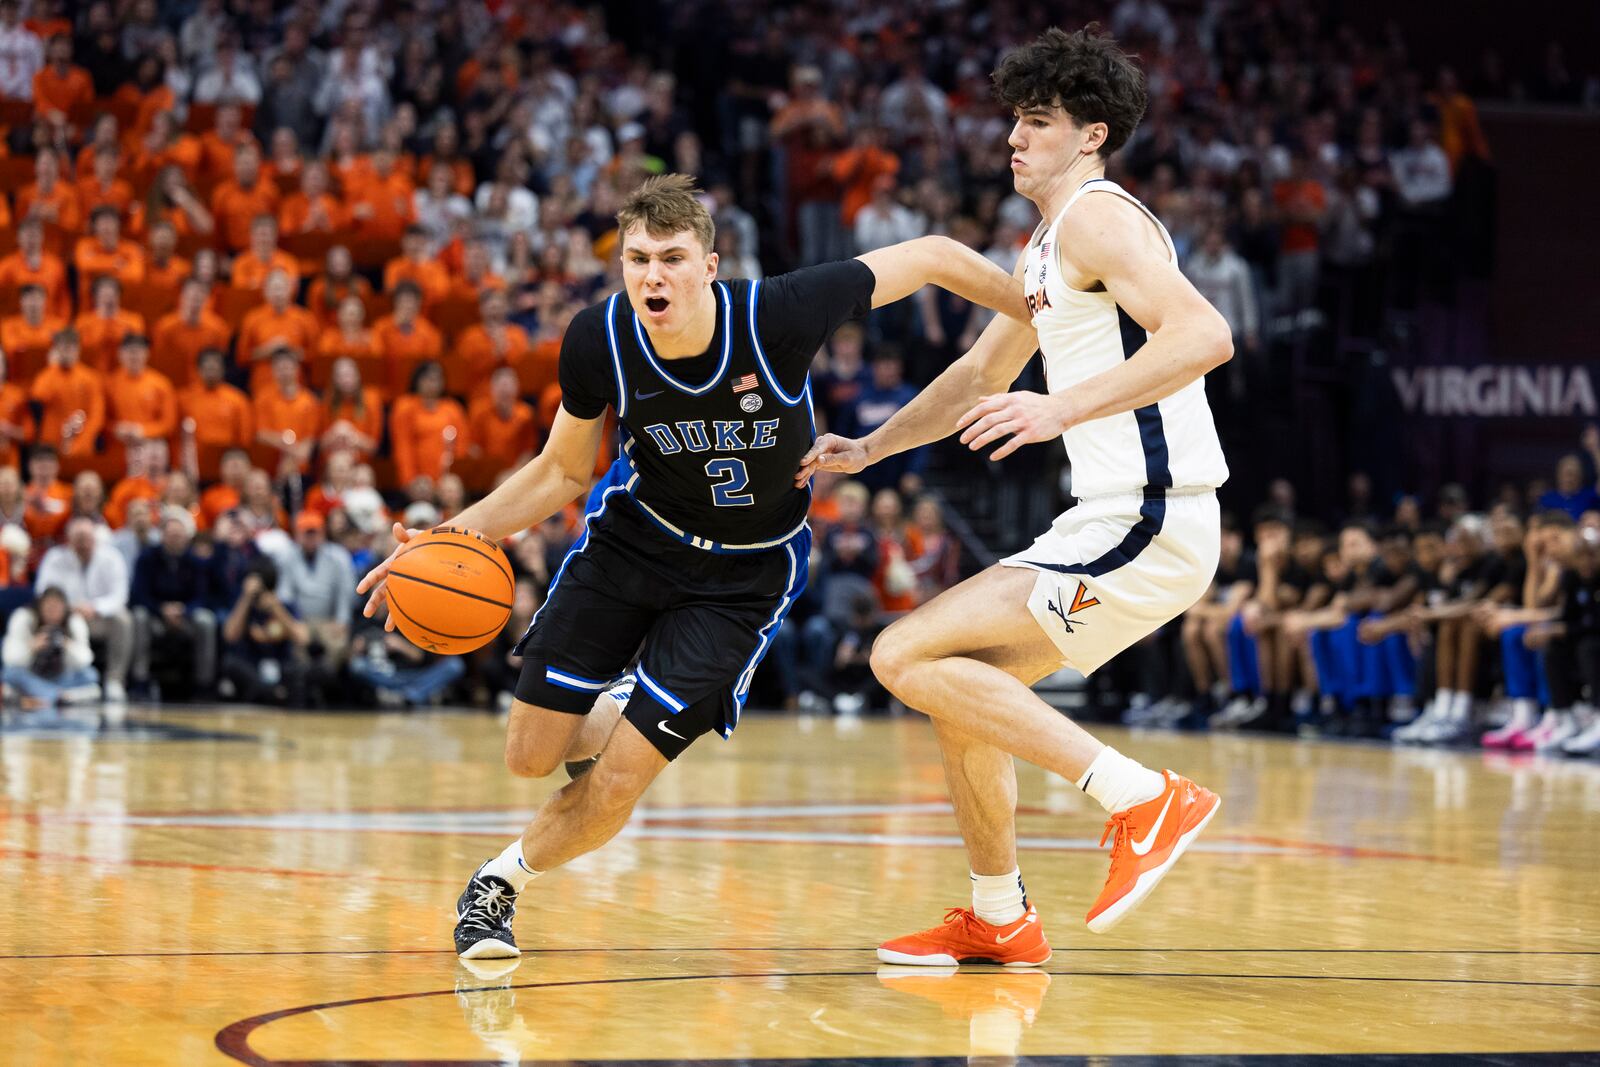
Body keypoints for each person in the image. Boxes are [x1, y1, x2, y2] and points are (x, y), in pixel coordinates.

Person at [356, 172, 1026, 959]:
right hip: (634, 543)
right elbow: (563, 472)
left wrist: (1038, 307)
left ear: (710, 266)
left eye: (672, 257)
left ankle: (498, 885)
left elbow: (937, 253)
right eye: (637, 258)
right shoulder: (598, 337)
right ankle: (621, 704)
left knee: (618, 779)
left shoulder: (776, 313)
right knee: (530, 754)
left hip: (742, 579)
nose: (653, 275)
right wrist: (443, 539)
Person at [798, 27, 1231, 962]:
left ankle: (1144, 798)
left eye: (1038, 122)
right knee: (964, 687)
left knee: (902, 651)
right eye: (1015, 120)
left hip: (1152, 512)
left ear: (1092, 136)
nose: (1015, 138)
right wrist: (872, 447)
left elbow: (1204, 334)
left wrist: (1057, 406)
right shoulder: (1044, 244)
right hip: (1114, 516)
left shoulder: (1098, 219)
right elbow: (975, 373)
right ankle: (1000, 914)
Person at [34, 515, 133, 701]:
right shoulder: (55, 558)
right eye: (78, 539)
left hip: (98, 617)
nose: (83, 544)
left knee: (123, 619)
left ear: (94, 538)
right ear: (69, 540)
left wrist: (95, 607)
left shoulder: (111, 557)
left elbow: (120, 595)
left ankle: (115, 680)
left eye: (86, 538)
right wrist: (68, 608)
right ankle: (60, 681)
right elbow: (43, 592)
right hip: (65, 619)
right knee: (45, 618)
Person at [1, 586, 99, 710]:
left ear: (65, 608)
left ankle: (43, 696)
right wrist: (31, 647)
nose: (52, 612)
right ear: (40, 606)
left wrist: (67, 645)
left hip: (63, 678)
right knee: (9, 674)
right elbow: (9, 659)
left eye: (57, 608)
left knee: (90, 675)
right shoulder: (24, 617)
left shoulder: (74, 620)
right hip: (32, 676)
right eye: (48, 608)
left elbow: (86, 660)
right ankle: (58, 697)